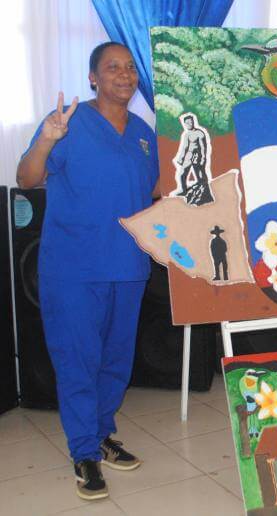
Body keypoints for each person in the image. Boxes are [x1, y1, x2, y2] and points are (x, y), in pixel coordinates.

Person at [16, 42, 159, 501]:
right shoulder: (67, 124)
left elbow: (153, 190)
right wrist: (45, 140)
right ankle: (83, 453)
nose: (124, 74)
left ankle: (100, 433)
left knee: (115, 362)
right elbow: (27, 178)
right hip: (73, 268)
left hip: (128, 265)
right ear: (93, 78)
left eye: (130, 67)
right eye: (112, 67)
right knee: (78, 361)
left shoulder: (143, 134)